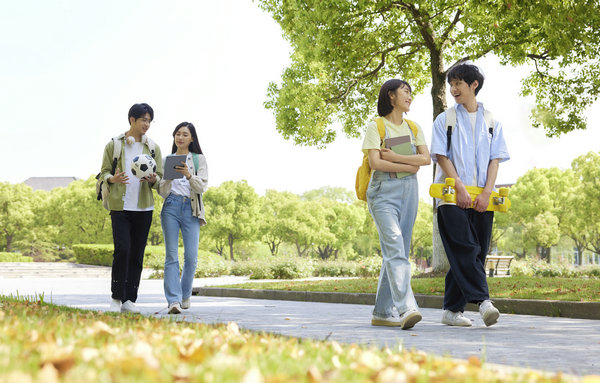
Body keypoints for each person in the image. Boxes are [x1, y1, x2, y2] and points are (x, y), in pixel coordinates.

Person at [430, 63, 510, 327]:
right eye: (451, 84)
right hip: (452, 196)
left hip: (482, 198)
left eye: (458, 84)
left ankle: (451, 311)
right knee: (466, 247)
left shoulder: (492, 121)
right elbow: (441, 156)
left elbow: (495, 160)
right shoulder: (445, 120)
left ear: (473, 85)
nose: (453, 89)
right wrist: (460, 188)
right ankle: (484, 302)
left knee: (474, 254)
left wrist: (488, 192)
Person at [362, 79, 431, 329]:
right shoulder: (376, 126)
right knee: (394, 245)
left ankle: (381, 312)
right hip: (382, 193)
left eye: (411, 93)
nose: (410, 96)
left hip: (409, 192)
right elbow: (376, 163)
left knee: (397, 250)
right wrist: (409, 164)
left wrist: (398, 157)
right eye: (405, 91)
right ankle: (406, 308)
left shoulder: (414, 127)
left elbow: (425, 160)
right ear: (391, 96)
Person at [99, 103, 163, 313]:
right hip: (120, 207)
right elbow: (103, 173)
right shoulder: (115, 145)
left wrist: (154, 179)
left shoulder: (153, 147)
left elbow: (160, 178)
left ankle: (129, 300)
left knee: (137, 254)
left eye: (149, 121)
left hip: (144, 208)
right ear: (132, 120)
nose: (147, 124)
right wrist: (113, 178)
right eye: (143, 119)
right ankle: (117, 298)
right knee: (123, 250)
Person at [158, 122, 208, 314]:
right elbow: (162, 191)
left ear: (192, 138)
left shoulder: (198, 160)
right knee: (171, 256)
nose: (180, 137)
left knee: (191, 257)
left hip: (191, 209)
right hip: (171, 206)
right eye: (177, 134)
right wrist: (168, 178)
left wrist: (188, 175)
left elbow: (201, 187)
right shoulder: (166, 160)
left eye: (185, 134)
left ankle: (185, 294)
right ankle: (173, 301)